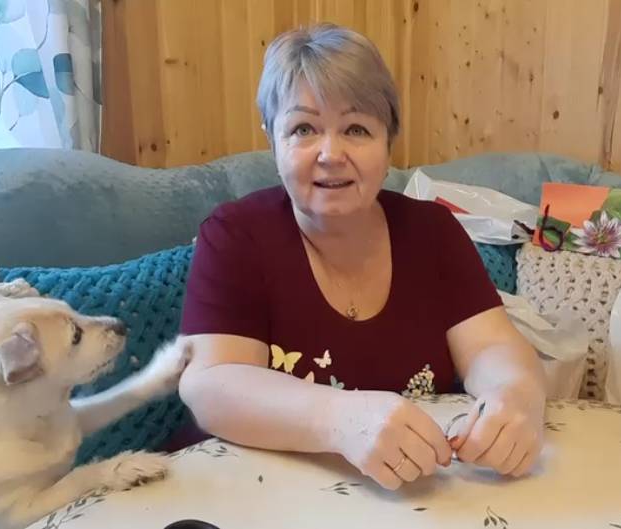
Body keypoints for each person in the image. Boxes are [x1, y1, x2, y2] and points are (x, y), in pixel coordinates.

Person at [177, 23, 546, 491]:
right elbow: (210, 383)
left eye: (356, 129)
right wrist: (340, 419)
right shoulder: (235, 234)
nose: (331, 154)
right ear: (273, 139)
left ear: (388, 142)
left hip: (407, 500)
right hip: (249, 493)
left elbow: (492, 347)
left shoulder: (433, 232)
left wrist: (515, 398)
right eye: (303, 129)